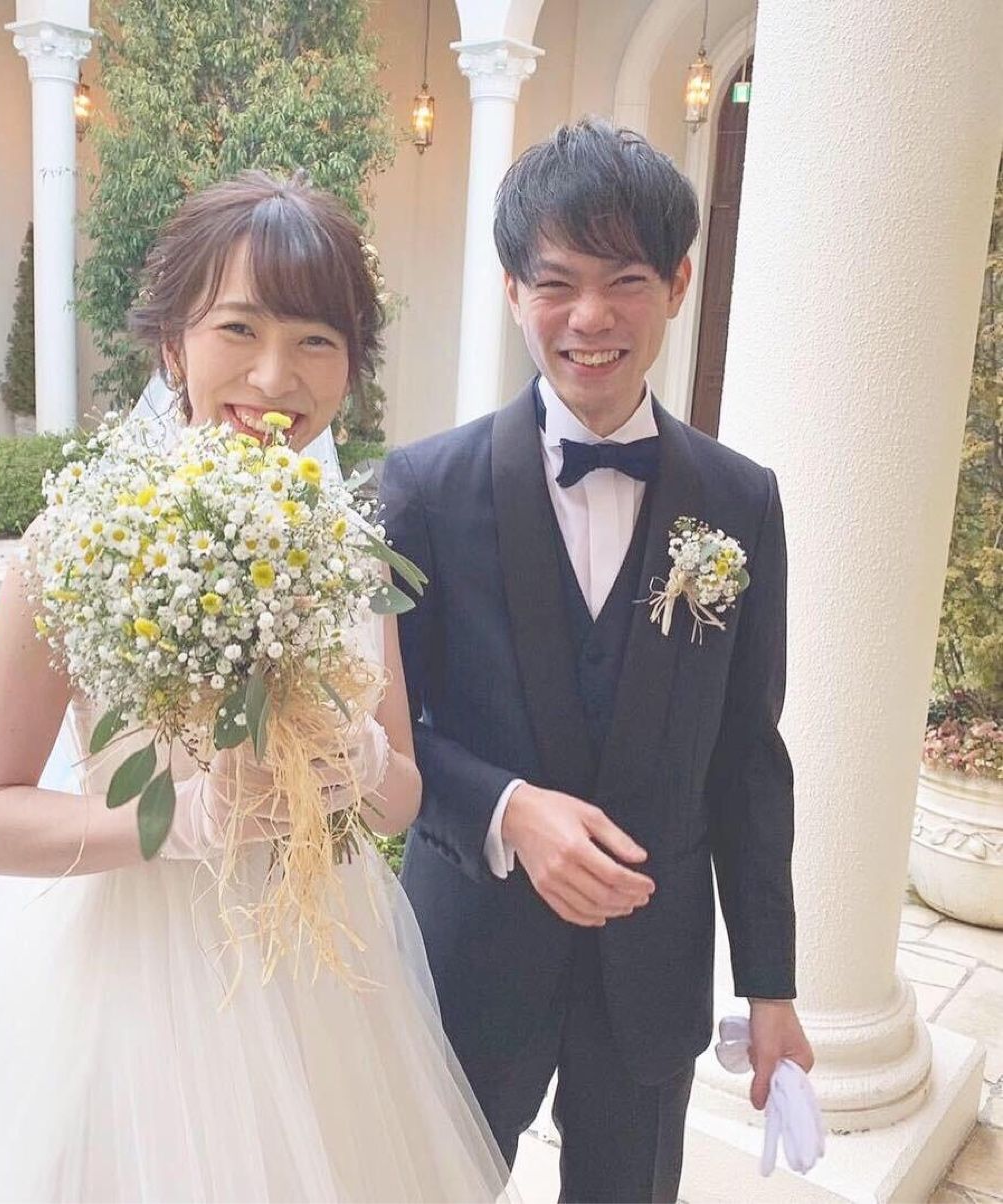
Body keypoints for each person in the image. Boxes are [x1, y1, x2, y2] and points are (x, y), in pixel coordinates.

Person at [0, 171, 514, 1204]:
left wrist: (359, 764)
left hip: (327, 977)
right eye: (238, 328)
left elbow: (400, 793)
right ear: (173, 344)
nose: (275, 377)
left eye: (316, 340)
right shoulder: (79, 543)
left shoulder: (349, 549)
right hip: (143, 981)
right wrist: (182, 821)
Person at [381, 118, 814, 1204]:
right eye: (556, 283)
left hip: (650, 969)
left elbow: (746, 757)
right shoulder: (422, 490)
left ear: (676, 284)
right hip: (471, 954)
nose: (589, 318)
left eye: (624, 281)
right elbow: (384, 738)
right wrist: (506, 810)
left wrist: (769, 986)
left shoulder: (740, 500)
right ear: (511, 289)